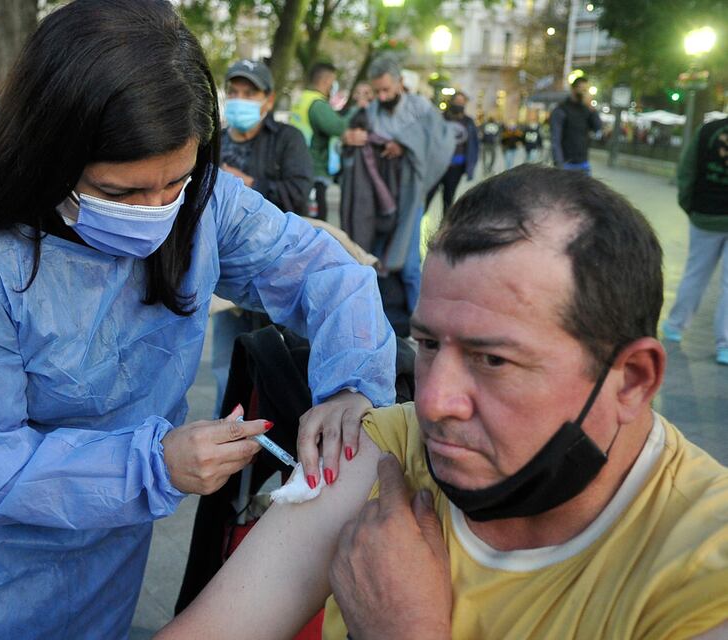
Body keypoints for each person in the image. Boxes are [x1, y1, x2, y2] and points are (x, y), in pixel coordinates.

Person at [0, 2, 396, 637]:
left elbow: (322, 271)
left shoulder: (201, 201)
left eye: (175, 183)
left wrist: (352, 382)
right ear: (49, 153)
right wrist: (153, 467)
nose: (155, 212)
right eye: (120, 194)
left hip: (107, 541)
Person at [158, 165, 728, 640]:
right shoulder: (387, 448)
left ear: (631, 379)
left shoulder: (702, 569)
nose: (431, 402)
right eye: (428, 344)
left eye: (493, 360)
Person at [213, 58, 313, 407]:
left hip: (276, 275)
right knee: (226, 373)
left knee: (277, 375)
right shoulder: (213, 142)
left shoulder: (288, 140)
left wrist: (249, 185)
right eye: (234, 92)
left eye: (250, 93)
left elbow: (299, 193)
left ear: (268, 100)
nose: (240, 99)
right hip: (224, 281)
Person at [340, 53, 454, 316]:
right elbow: (348, 137)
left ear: (400, 82)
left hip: (409, 196)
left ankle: (419, 320)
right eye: (377, 91)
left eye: (386, 90)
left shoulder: (421, 108)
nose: (381, 97)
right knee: (375, 257)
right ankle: (377, 316)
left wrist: (406, 144)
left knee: (411, 264)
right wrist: (348, 138)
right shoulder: (370, 112)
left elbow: (440, 142)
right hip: (379, 200)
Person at [662, 117, 728, 366]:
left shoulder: (707, 131)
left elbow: (686, 170)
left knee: (695, 274)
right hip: (707, 214)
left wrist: (689, 205)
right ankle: (725, 346)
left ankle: (676, 326)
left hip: (705, 215)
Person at [289, 61, 366, 221]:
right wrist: (356, 109)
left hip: (298, 164)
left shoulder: (302, 99)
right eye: (333, 81)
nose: (334, 86)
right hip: (314, 170)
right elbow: (338, 126)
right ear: (326, 81)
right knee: (316, 223)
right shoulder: (318, 105)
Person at [425, 91, 478, 215]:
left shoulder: (468, 122)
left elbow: (473, 145)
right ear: (451, 102)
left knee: (448, 200)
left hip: (456, 168)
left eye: (462, 102)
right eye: (457, 101)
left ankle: (445, 229)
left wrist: (470, 166)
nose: (459, 104)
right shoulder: (441, 118)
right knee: (427, 197)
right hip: (437, 166)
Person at [551, 76, 602, 174]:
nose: (584, 92)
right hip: (566, 164)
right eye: (581, 89)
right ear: (573, 89)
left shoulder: (586, 109)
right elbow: (555, 139)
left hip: (583, 163)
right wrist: (559, 164)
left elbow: (597, 127)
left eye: (586, 90)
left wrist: (592, 109)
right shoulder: (561, 110)